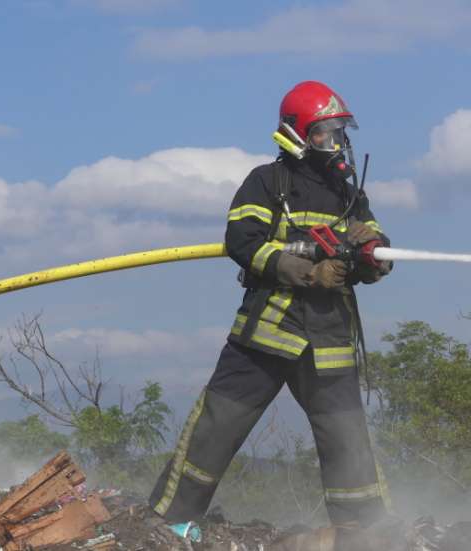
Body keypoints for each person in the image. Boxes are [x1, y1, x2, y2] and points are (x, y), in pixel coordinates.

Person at [149, 81, 392, 528]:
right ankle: (164, 525)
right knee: (214, 433)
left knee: (348, 447)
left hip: (329, 342)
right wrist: (306, 271)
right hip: (265, 337)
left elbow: (373, 252)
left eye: (340, 131)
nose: (335, 143)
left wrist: (372, 253)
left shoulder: (350, 195)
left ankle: (368, 535)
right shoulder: (266, 182)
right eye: (325, 133)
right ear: (297, 135)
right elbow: (242, 242)